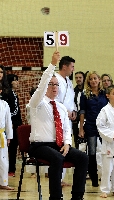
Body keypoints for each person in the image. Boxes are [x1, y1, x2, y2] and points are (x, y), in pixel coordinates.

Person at [28, 51, 88, 200]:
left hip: (58, 144)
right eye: (51, 84)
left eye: (56, 85)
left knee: (83, 158)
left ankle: (77, 196)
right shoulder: (37, 103)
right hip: (39, 145)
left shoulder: (61, 107)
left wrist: (67, 143)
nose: (54, 87)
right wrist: (53, 64)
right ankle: (55, 197)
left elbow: (66, 128)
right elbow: (41, 86)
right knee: (57, 158)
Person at [79, 71, 108, 187]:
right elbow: (82, 112)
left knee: (107, 152)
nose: (93, 81)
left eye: (95, 78)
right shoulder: (84, 94)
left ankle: (108, 178)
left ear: (99, 80)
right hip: (90, 126)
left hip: (104, 127)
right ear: (88, 81)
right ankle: (94, 179)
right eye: (91, 79)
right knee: (92, 153)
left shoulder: (105, 94)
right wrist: (81, 128)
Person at [55, 55, 76, 186]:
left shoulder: (68, 81)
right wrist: (65, 111)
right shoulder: (55, 79)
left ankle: (61, 179)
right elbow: (54, 100)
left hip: (68, 119)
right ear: (64, 66)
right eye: (72, 66)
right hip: (58, 118)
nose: (73, 69)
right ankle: (56, 177)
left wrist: (73, 111)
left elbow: (71, 100)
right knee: (58, 147)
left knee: (66, 146)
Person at [6, 74, 22, 177]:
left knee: (14, 147)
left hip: (16, 124)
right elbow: (11, 111)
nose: (17, 82)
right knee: (10, 147)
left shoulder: (14, 94)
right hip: (11, 124)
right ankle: (9, 169)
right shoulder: (8, 94)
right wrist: (9, 121)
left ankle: (12, 168)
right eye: (15, 80)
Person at [73, 71, 85, 149]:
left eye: (80, 77)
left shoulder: (87, 91)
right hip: (76, 121)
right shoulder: (73, 91)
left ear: (84, 78)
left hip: (85, 120)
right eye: (76, 78)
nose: (78, 79)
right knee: (77, 141)